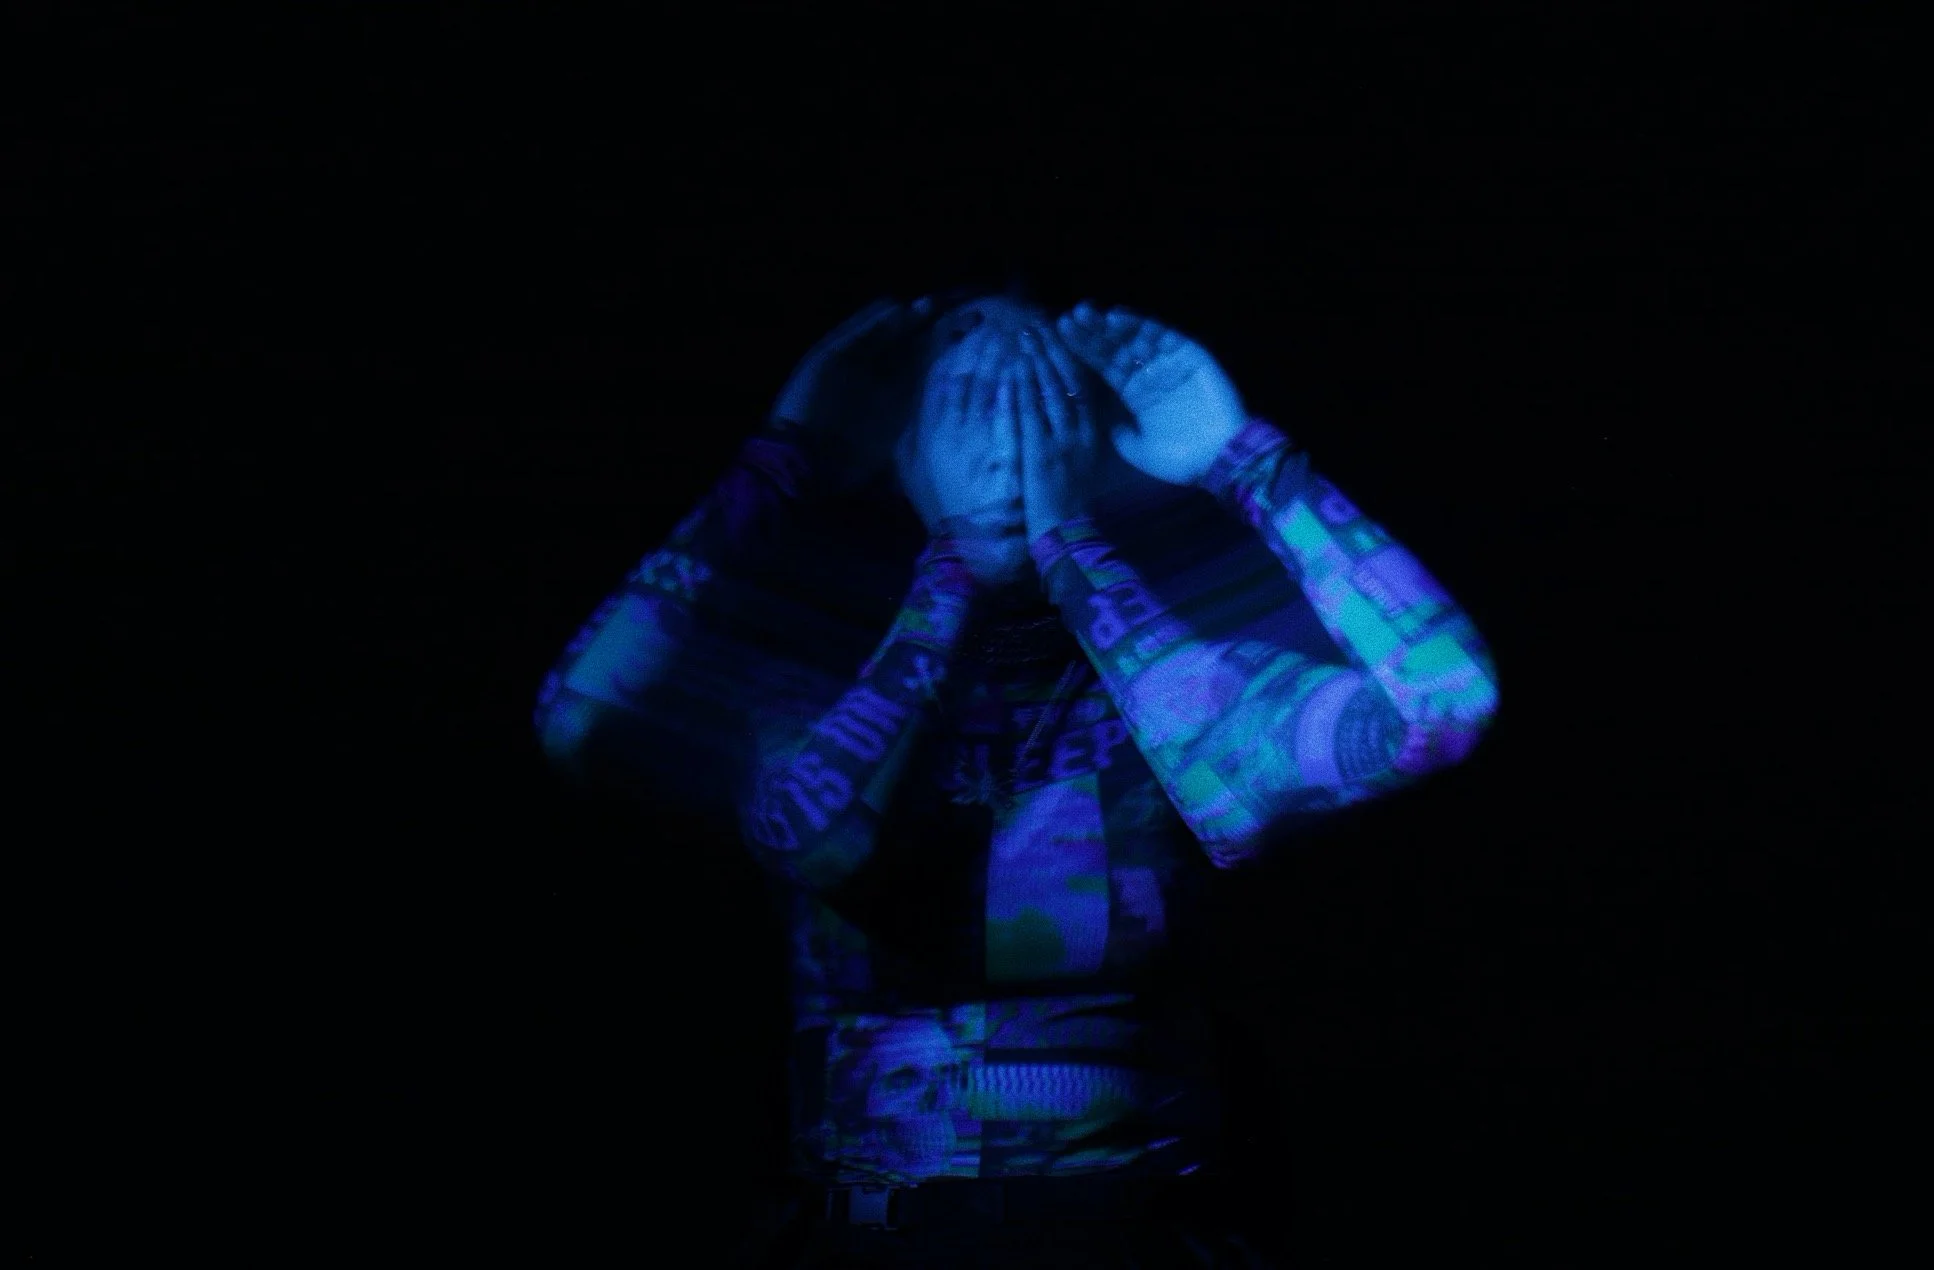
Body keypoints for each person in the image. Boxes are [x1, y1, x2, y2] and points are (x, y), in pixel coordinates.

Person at [533, 289, 1501, 1266]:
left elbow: (1441, 702)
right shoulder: (811, 699)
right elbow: (589, 722)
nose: (1006, 448)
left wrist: (1239, 458)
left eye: (1042, 403)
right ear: (903, 449)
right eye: (967, 405)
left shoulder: (1160, 704)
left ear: (1097, 442)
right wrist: (784, 460)